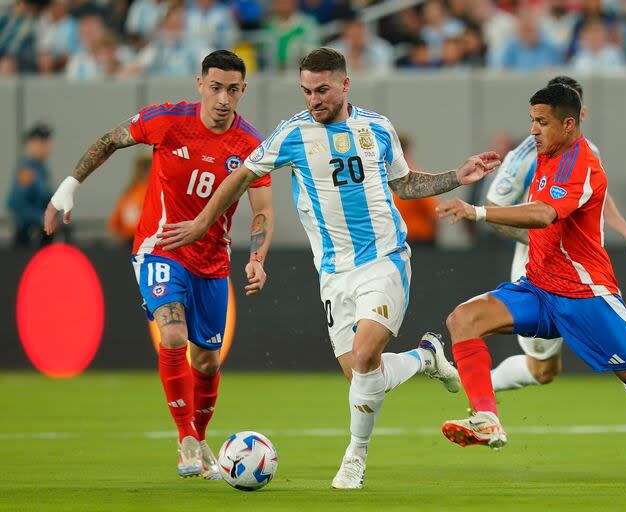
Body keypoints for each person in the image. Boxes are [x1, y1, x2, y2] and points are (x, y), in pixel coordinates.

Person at [156, 47, 500, 490]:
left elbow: (404, 183)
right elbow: (241, 175)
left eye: (322, 90)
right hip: (334, 273)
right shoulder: (292, 134)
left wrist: (457, 175)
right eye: (306, 91)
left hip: (384, 259)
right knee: (362, 376)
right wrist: (204, 221)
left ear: (344, 85)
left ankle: (354, 460)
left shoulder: (376, 128)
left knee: (363, 357)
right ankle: (425, 357)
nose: (313, 99)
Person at [436, 84, 626, 489]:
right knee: (464, 319)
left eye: (542, 122)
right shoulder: (542, 154)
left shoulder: (579, 161)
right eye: (531, 120)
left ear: (569, 123)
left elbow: (546, 213)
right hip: (538, 287)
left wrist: (476, 210)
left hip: (584, 295)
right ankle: (487, 419)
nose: (533, 129)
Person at [43, 50, 272, 480]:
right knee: (172, 333)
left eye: (233, 89)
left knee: (207, 362)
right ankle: (185, 438)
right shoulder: (167, 119)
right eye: (216, 87)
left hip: (211, 261)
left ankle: (200, 440)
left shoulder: (252, 146)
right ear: (200, 84)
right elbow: (110, 139)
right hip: (160, 248)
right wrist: (68, 188)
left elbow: (262, 209)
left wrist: (257, 257)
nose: (224, 98)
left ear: (244, 91)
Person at [484, 75, 626, 464]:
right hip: (539, 273)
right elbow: (494, 214)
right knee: (543, 369)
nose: (577, 116)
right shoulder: (525, 156)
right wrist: (545, 240)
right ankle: (482, 386)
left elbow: (597, 195)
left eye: (580, 109)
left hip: (586, 274)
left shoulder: (586, 149)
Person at [7, 123, 54, 248]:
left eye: (47, 142)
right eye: (41, 142)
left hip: (41, 236)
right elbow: (15, 203)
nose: (46, 146)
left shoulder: (42, 171)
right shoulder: (27, 171)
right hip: (28, 237)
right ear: (30, 144)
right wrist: (40, 219)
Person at [108, 153, 151, 247]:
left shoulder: (155, 190)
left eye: (147, 167)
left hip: (149, 241)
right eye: (142, 168)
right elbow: (115, 221)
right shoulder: (130, 191)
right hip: (129, 240)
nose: (144, 172)